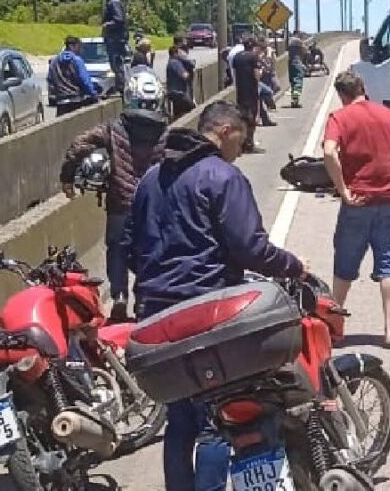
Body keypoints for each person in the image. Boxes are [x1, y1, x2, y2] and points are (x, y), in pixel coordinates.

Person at [122, 100, 306, 491]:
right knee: (215, 423)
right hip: (207, 318)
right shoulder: (222, 176)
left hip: (156, 318)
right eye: (240, 141)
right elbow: (251, 248)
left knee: (179, 421)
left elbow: (129, 248)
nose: (240, 150)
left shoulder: (150, 179)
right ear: (224, 132)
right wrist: (294, 266)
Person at [323, 71, 390, 349]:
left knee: (344, 267)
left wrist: (343, 190)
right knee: (387, 265)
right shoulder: (388, 114)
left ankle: (335, 331)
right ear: (363, 88)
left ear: (342, 95)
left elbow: (329, 151)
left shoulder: (339, 118)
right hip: (388, 202)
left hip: (357, 201)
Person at [60, 68, 169, 320]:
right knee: (151, 252)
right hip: (153, 206)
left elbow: (79, 145)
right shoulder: (166, 132)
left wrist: (68, 178)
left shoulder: (113, 128)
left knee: (117, 250)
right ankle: (144, 301)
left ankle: (119, 296)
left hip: (121, 203)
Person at [47, 36, 100, 117]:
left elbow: (50, 80)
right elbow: (84, 80)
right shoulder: (77, 60)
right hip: (76, 100)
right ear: (72, 46)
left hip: (61, 101)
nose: (81, 50)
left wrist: (54, 95)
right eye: (79, 47)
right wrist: (94, 95)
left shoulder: (54, 61)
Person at [231, 37, 263, 153]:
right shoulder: (253, 57)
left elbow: (234, 74)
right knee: (252, 118)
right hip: (251, 92)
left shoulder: (237, 57)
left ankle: (243, 144)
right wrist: (260, 76)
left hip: (241, 92)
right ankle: (250, 144)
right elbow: (256, 75)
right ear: (253, 46)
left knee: (242, 118)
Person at [99, 0, 128, 96]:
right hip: (114, 39)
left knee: (116, 63)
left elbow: (119, 19)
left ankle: (120, 87)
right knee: (115, 63)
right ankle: (118, 86)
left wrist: (107, 25)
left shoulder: (114, 2)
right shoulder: (112, 2)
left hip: (116, 39)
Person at [166, 45, 196, 122]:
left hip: (174, 92)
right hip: (178, 93)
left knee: (178, 112)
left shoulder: (170, 62)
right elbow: (185, 75)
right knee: (192, 109)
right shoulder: (175, 63)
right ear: (175, 53)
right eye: (179, 53)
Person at [287, 32, 305, 107]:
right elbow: (304, 50)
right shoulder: (298, 41)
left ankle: (294, 100)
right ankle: (295, 101)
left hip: (290, 62)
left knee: (293, 82)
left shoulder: (290, 41)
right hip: (297, 62)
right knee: (298, 81)